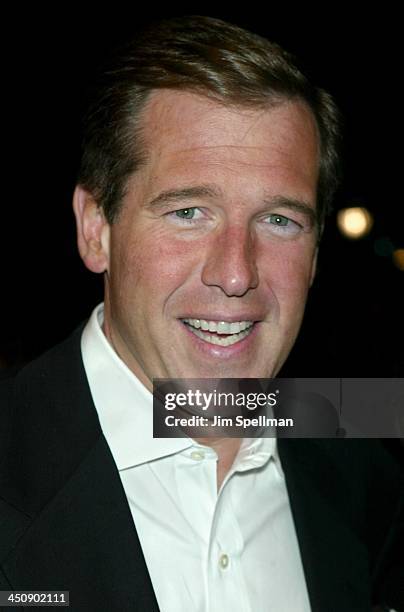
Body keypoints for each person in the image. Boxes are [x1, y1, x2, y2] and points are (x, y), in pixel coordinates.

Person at [0, 15, 402, 612]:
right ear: (96, 229)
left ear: (316, 255)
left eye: (279, 220)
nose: (237, 273)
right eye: (189, 212)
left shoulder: (364, 462)